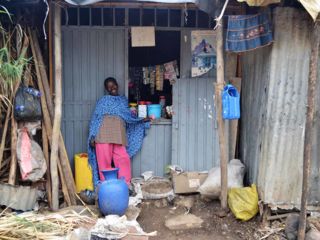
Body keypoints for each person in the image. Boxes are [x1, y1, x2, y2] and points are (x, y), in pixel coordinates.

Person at [88, 77, 149, 187]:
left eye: (113, 85)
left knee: (123, 159)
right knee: (104, 163)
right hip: (102, 135)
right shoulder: (103, 101)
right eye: (109, 87)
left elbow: (128, 117)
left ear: (117, 85)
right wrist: (92, 136)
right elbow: (95, 119)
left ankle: (125, 185)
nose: (112, 88)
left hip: (118, 135)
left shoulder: (123, 100)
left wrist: (140, 120)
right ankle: (106, 187)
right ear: (106, 89)